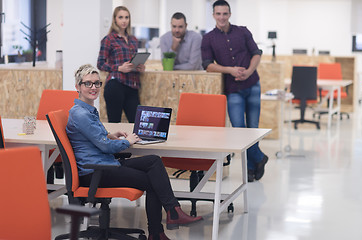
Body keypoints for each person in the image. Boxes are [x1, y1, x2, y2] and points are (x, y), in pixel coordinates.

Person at [67, 64, 203, 240]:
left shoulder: (86, 110)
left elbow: (94, 136)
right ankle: (158, 231)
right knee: (155, 182)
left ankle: (172, 212)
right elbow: (105, 147)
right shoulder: (81, 114)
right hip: (96, 171)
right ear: (78, 87)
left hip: (104, 164)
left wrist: (111, 135)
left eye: (97, 83)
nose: (93, 87)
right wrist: (126, 141)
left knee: (154, 161)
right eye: (88, 84)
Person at [201, 0, 268, 182]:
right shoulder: (208, 38)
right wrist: (230, 70)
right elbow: (207, 65)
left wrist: (249, 71)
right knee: (239, 130)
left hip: (253, 84)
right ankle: (259, 157)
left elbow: (256, 52)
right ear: (213, 15)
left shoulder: (243, 31)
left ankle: (251, 169)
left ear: (229, 14)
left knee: (253, 129)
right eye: (218, 14)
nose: (222, 17)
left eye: (225, 13)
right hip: (233, 89)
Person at [97, 6, 144, 123]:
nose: (124, 20)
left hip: (132, 86)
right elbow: (100, 63)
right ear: (115, 20)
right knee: (114, 123)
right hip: (115, 85)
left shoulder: (133, 40)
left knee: (136, 124)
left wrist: (139, 67)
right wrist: (119, 68)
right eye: (121, 17)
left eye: (126, 17)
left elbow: (133, 60)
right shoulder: (109, 39)